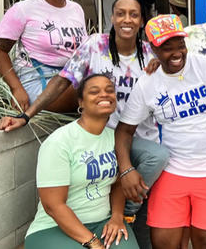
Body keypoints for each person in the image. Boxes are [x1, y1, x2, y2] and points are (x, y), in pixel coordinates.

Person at [0, 0, 168, 249]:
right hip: (106, 137)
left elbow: (178, 69)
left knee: (155, 160)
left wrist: (163, 63)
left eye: (134, 14)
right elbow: (62, 81)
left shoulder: (150, 53)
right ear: (112, 17)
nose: (127, 19)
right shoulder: (95, 46)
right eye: (120, 13)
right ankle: (123, 212)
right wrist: (26, 115)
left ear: (142, 20)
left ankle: (127, 209)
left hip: (139, 139)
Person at [115, 14, 206, 249]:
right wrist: (126, 169)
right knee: (164, 242)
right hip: (173, 170)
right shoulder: (147, 83)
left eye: (180, 45)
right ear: (153, 49)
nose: (177, 53)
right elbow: (124, 131)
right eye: (167, 48)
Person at [24, 74, 138, 249]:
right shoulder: (60, 142)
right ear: (81, 102)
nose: (105, 95)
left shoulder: (115, 139)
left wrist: (116, 217)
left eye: (110, 90)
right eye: (94, 91)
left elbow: (118, 184)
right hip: (53, 227)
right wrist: (93, 242)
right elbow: (53, 205)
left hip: (102, 223)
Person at [0, 0, 87, 113]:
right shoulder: (23, 9)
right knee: (93, 88)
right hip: (38, 82)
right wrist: (16, 89)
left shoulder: (76, 9)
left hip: (67, 78)